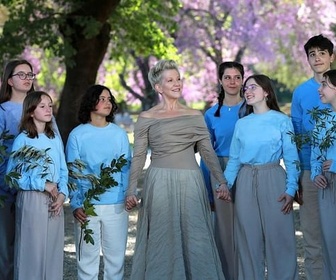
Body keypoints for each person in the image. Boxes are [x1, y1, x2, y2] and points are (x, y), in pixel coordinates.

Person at [125, 59, 230, 280]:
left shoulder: (194, 115)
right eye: (170, 80)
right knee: (162, 237)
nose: (177, 83)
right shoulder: (146, 118)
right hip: (159, 182)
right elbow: (139, 156)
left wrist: (221, 181)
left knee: (195, 235)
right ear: (158, 87)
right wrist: (131, 190)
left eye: (178, 79)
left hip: (191, 182)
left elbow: (207, 152)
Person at [224, 74, 300, 279]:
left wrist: (291, 189)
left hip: (274, 178)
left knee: (280, 239)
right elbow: (234, 159)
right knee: (248, 240)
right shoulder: (242, 124)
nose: (247, 91)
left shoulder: (282, 121)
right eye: (246, 88)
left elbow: (292, 159)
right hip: (246, 180)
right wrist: (224, 184)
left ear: (266, 92)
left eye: (253, 87)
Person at [66, 85, 131, 280]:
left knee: (115, 260)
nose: (107, 103)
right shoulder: (77, 135)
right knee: (86, 261)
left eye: (109, 99)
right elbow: (73, 172)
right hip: (87, 206)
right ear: (90, 102)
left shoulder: (119, 134)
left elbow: (126, 169)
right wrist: (76, 203)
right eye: (102, 99)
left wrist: (127, 194)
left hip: (116, 204)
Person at [6, 91, 68, 280]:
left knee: (52, 254)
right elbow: (12, 177)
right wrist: (42, 184)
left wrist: (62, 194)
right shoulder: (22, 140)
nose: (48, 109)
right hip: (31, 200)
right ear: (31, 111)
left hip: (55, 201)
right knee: (31, 254)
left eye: (50, 105)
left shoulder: (54, 138)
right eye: (42, 106)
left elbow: (64, 170)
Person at [291, 34, 334, 280]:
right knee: (313, 236)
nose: (317, 58)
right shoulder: (300, 93)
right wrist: (297, 176)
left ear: (331, 56)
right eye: (312, 54)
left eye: (322, 53)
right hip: (310, 172)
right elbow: (296, 135)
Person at [200, 61, 244, 280]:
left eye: (237, 77)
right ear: (220, 81)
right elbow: (206, 154)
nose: (232, 82)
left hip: (246, 171)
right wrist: (207, 189)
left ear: (243, 79)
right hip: (219, 172)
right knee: (224, 231)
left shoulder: (251, 109)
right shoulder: (210, 115)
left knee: (247, 227)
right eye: (227, 77)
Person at [0, 59, 35, 280]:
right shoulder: (2, 111)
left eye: (30, 74)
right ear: (9, 80)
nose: (27, 78)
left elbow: (55, 146)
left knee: (31, 247)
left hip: (37, 190)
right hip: (5, 188)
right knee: (6, 249)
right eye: (21, 74)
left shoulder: (42, 107)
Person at [310, 69, 336, 280]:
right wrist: (316, 173)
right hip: (326, 185)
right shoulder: (323, 119)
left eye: (325, 84)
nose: (320, 88)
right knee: (329, 240)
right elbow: (315, 153)